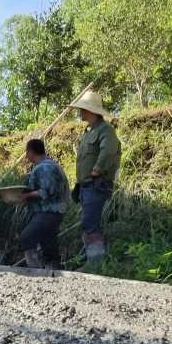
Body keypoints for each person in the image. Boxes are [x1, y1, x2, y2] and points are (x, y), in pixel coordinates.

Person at [69, 91, 121, 267]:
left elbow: (109, 150)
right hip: (85, 186)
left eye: (82, 109)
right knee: (87, 222)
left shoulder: (105, 130)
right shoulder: (89, 131)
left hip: (95, 185)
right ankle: (92, 260)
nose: (80, 112)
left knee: (90, 223)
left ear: (91, 111)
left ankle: (96, 264)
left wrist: (97, 170)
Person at [19, 139, 70, 269]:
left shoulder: (45, 167)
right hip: (53, 211)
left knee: (27, 237)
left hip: (49, 211)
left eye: (27, 152)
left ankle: (35, 270)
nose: (26, 155)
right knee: (48, 243)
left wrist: (26, 195)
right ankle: (52, 271)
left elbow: (46, 191)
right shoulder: (50, 165)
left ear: (31, 152)